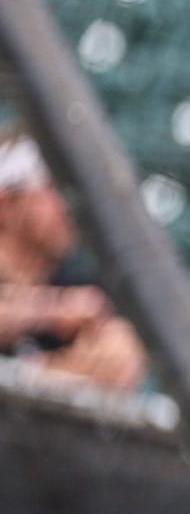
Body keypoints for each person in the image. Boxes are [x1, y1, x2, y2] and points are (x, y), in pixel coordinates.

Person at [0, 131, 147, 392]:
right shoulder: (74, 298)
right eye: (54, 188)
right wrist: (50, 312)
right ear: (7, 202)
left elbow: (120, 364)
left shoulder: (83, 283)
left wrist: (34, 375)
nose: (71, 205)